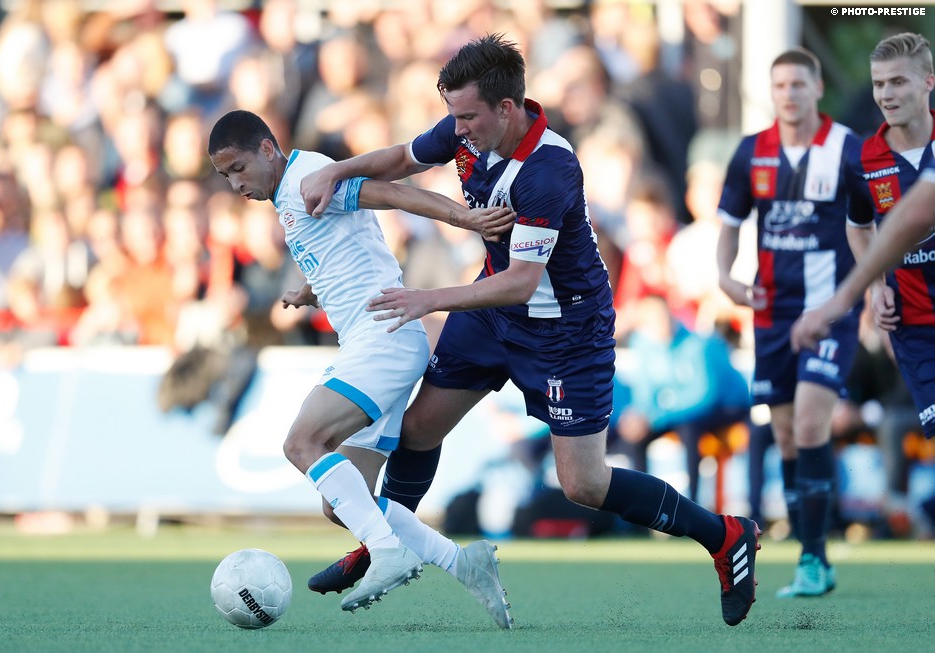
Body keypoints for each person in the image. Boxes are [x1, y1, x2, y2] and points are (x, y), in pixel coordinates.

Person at [301, 34, 760, 627]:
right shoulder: (468, 127)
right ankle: (382, 550)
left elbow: (522, 282)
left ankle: (724, 535)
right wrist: (338, 170)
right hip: (492, 316)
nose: (457, 129)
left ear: (506, 108)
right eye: (453, 116)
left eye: (467, 117)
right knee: (418, 430)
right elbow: (402, 159)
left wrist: (428, 300)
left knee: (584, 485)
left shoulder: (550, 168)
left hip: (566, 332)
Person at [207, 109, 515, 628]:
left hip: (382, 338)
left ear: (266, 149)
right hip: (379, 340)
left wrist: (465, 219)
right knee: (342, 503)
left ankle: (386, 551)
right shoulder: (290, 191)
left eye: (238, 168)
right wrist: (311, 291)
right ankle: (464, 564)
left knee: (302, 444)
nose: (236, 183)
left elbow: (391, 194)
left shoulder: (305, 179)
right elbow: (346, 245)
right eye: (225, 176)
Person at [715, 49, 864, 598]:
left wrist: (871, 289)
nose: (789, 94)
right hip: (771, 312)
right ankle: (810, 551)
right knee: (784, 435)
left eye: (799, 84)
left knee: (808, 424)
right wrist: (725, 277)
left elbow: (869, 227)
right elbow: (730, 222)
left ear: (817, 87)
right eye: (780, 85)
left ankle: (814, 557)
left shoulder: (848, 148)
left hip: (829, 311)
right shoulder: (752, 151)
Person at [792, 33, 935, 446]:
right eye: (878, 83)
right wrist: (877, 286)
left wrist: (841, 300)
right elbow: (857, 226)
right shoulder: (861, 160)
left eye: (898, 82)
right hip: (914, 325)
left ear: (928, 81)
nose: (886, 94)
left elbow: (917, 215)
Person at [611, 294, 751, 504]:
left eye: (662, 316)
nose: (660, 323)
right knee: (637, 437)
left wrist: (656, 417)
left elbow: (703, 396)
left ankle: (692, 504)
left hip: (726, 406)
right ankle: (643, 506)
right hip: (678, 409)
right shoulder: (643, 343)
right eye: (652, 319)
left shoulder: (697, 343)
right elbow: (645, 389)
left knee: (688, 429)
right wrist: (640, 415)